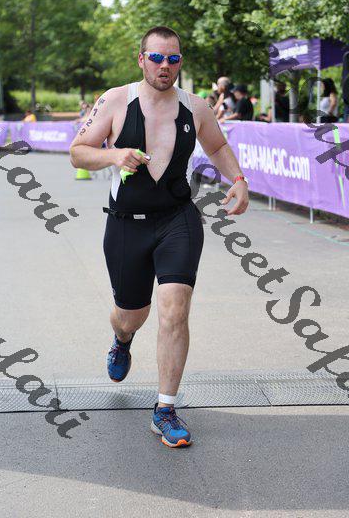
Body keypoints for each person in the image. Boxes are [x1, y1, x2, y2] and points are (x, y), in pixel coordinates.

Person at [69, 25, 249, 448]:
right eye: (156, 58)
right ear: (141, 59)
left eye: (173, 59)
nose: (164, 66)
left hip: (177, 220)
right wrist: (114, 154)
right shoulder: (115, 100)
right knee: (130, 315)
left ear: (179, 62)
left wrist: (238, 180)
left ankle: (165, 409)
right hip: (126, 223)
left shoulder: (196, 106)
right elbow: (78, 152)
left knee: (174, 310)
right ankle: (122, 339)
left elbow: (217, 146)